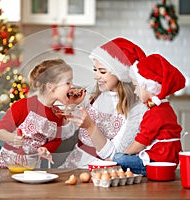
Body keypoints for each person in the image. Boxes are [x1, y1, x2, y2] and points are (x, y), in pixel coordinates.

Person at [59, 38, 148, 168]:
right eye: (95, 69)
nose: (96, 76)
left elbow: (116, 156)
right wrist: (71, 107)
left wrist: (91, 127)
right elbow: (65, 134)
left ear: (120, 74)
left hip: (102, 172)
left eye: (102, 71)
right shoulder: (95, 96)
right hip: (74, 165)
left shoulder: (136, 109)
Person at [112, 54, 186, 176]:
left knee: (118, 158)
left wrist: (123, 155)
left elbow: (140, 142)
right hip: (169, 158)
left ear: (150, 87)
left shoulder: (155, 113)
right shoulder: (165, 108)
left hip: (159, 161)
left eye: (136, 87)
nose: (135, 92)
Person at [0, 59, 75, 168]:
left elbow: (56, 140)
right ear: (51, 86)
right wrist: (13, 138)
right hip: (6, 167)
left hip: (32, 168)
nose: (72, 86)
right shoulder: (23, 106)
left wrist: (45, 149)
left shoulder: (58, 114)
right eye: (68, 82)